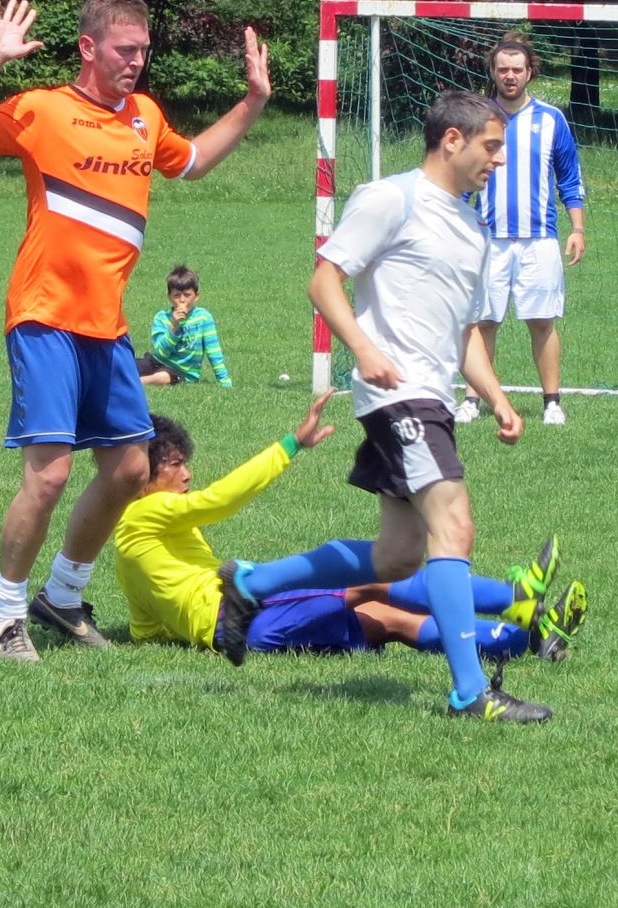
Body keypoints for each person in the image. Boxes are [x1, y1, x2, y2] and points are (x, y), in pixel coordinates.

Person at [0, 0, 270, 661]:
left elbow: (194, 161)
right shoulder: (43, 109)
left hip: (106, 327)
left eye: (143, 50)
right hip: (44, 316)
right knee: (49, 477)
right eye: (124, 50)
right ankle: (6, 617)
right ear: (89, 48)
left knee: (129, 468)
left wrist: (253, 101)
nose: (136, 61)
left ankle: (62, 596)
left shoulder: (145, 116)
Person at [218, 90, 556, 723]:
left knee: (397, 555)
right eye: (491, 146)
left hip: (433, 399)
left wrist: (497, 397)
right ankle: (469, 692)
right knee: (454, 526)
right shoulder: (389, 198)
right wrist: (363, 349)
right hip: (399, 396)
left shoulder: (472, 228)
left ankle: (250, 582)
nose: (500, 160)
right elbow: (324, 279)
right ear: (451, 140)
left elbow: (463, 336)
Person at [114, 395, 584, 663]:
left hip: (252, 623)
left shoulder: (133, 541)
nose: (187, 474)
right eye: (174, 465)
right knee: (377, 584)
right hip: (247, 616)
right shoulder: (143, 514)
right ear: (142, 474)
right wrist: (289, 446)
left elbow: (145, 626)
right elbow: (219, 500)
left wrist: (173, 634)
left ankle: (530, 637)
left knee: (387, 618)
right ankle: (516, 600)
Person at [456, 36, 586, 427]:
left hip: (539, 239)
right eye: (503, 69)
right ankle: (472, 400)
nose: (509, 76)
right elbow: (461, 179)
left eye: (517, 69)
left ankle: (552, 403)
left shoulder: (551, 119)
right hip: (488, 239)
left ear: (530, 72)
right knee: (482, 322)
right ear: (493, 72)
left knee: (542, 322)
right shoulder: (475, 120)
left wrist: (577, 228)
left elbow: (570, 177)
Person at [138, 264, 233, 388]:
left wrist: (225, 381)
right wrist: (173, 327)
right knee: (126, 365)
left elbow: (214, 352)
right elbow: (160, 354)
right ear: (169, 297)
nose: (182, 300)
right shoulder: (161, 317)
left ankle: (136, 382)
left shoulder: (203, 318)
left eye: (187, 295)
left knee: (162, 377)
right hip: (157, 362)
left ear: (196, 296)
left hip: (182, 372)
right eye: (176, 295)